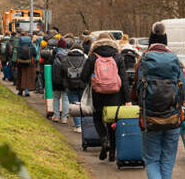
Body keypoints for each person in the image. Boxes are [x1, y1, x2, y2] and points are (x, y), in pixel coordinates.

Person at [131, 23, 185, 179]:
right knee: (167, 161)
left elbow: (136, 89)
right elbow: (184, 89)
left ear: (151, 41)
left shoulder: (143, 59)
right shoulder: (175, 60)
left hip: (150, 118)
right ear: (166, 43)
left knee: (152, 159)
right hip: (173, 118)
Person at [81, 32, 129, 161]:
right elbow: (124, 79)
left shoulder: (93, 56)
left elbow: (83, 77)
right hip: (115, 95)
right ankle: (112, 154)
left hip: (98, 94)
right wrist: (127, 99)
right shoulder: (118, 56)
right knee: (112, 123)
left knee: (97, 119)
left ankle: (104, 139)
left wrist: (93, 79)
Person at [63, 39, 87, 132]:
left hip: (70, 85)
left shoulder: (66, 59)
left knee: (73, 105)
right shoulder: (85, 59)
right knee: (82, 105)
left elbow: (62, 71)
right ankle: (84, 124)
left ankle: (78, 126)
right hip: (82, 85)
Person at [51, 38, 70, 124]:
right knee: (65, 99)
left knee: (56, 98)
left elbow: (50, 64)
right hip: (66, 80)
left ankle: (56, 116)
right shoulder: (69, 54)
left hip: (56, 79)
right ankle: (64, 118)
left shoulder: (55, 53)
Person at [15, 31, 37, 97]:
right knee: (27, 76)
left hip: (20, 62)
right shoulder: (30, 42)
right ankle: (27, 91)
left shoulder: (19, 41)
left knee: (20, 75)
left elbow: (16, 51)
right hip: (28, 62)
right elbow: (34, 53)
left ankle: (20, 91)